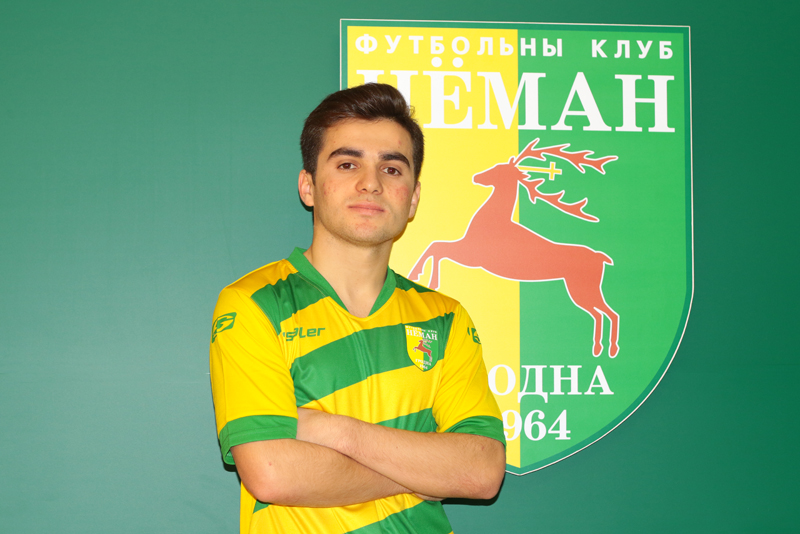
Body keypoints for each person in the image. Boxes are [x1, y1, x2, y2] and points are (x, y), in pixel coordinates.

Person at [209, 83, 506, 534]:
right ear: (308, 186)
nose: (371, 183)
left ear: (413, 198)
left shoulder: (445, 317)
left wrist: (334, 432)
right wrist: (424, 472)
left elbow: (481, 471)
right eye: (347, 164)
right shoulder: (254, 304)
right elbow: (272, 472)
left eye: (391, 168)